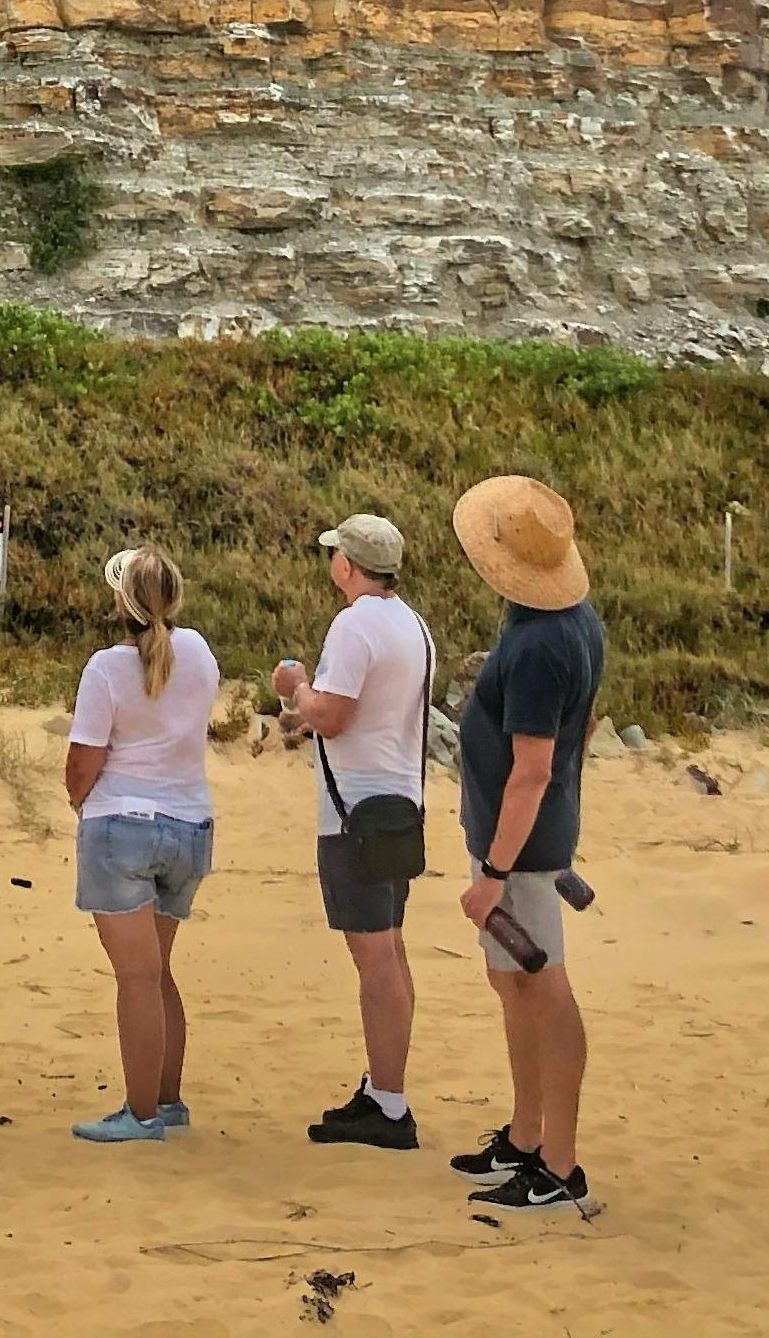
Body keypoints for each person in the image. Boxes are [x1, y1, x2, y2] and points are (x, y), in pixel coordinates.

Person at [447, 476, 609, 1215]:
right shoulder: (557, 618)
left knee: (545, 989)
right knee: (513, 984)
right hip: (517, 840)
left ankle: (560, 1164)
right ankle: (525, 1134)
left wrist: (494, 872)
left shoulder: (545, 642)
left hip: (525, 849)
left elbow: (535, 768)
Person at [269, 511, 434, 1150]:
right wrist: (307, 714)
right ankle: (384, 1088)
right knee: (389, 948)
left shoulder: (355, 622)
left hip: (355, 812)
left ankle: (389, 1103)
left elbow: (333, 715)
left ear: (347, 565)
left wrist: (296, 688)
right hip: (399, 801)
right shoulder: (411, 625)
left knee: (374, 955)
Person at [64, 543, 217, 1144]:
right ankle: (166, 1101)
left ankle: (141, 1111)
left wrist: (80, 802)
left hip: (123, 823)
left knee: (136, 978)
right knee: (158, 973)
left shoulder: (106, 667)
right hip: (189, 824)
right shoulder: (199, 653)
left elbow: (85, 759)